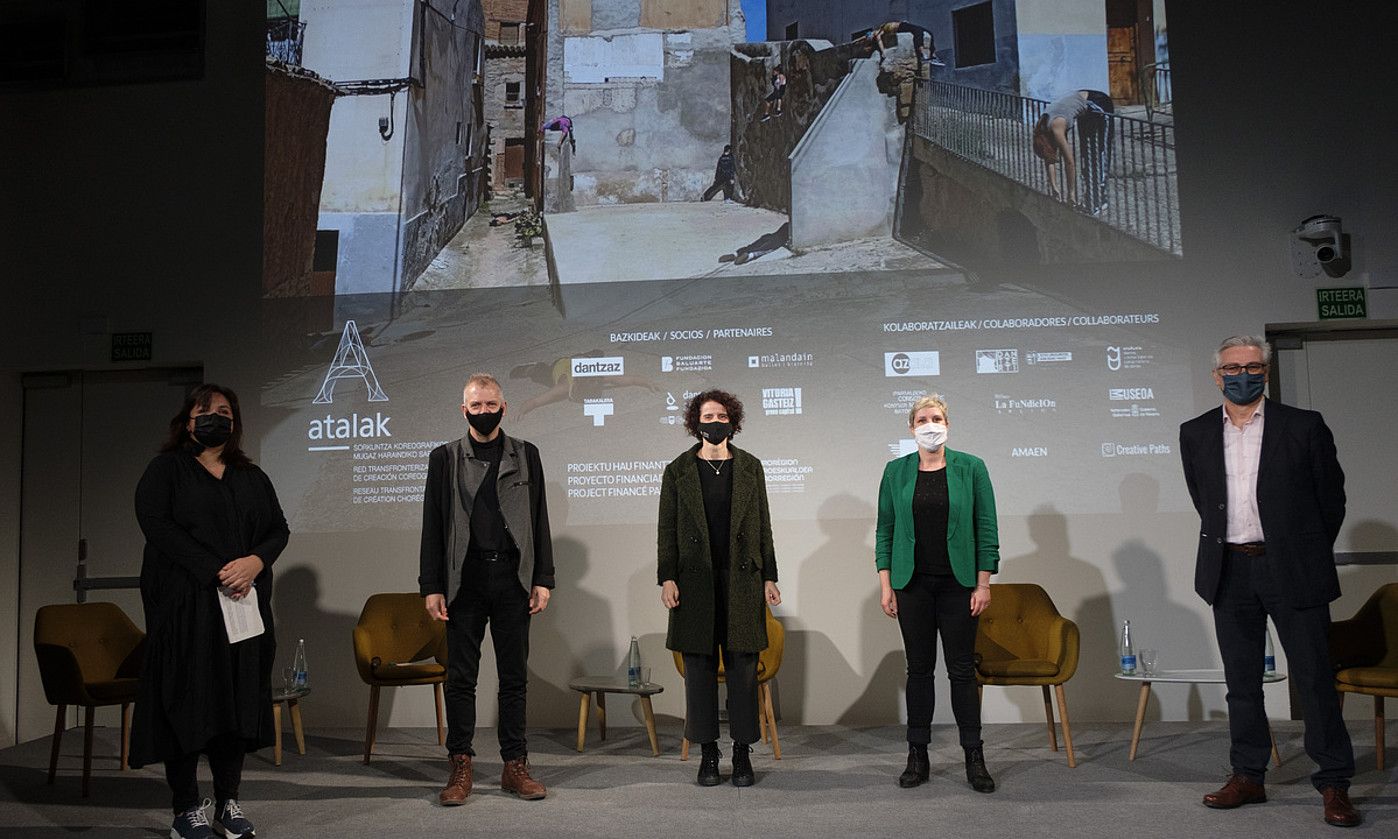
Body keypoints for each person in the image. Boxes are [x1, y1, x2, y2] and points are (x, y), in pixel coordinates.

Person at [1179, 336, 1359, 828]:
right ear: (1217, 376)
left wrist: (1302, 548)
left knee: (1315, 679)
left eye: (1254, 367)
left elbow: (1331, 500)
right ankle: (1248, 776)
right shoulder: (1194, 433)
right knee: (1242, 684)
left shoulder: (1304, 426)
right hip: (1228, 569)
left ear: (1266, 372)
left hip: (1293, 567)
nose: (1244, 374)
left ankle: (1335, 783)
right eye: (1233, 367)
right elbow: (1204, 499)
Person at [130, 384, 289, 839]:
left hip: (241, 608)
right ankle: (185, 808)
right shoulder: (166, 470)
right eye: (205, 411)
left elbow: (278, 528)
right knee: (187, 702)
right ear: (187, 420)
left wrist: (256, 562)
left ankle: (228, 802)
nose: (214, 418)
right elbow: (156, 524)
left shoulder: (251, 476)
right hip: (185, 610)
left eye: (224, 412)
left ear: (234, 423)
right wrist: (217, 570)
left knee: (235, 703)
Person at [420, 373, 556, 804]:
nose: (484, 412)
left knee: (514, 678)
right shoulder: (444, 459)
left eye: (490, 404)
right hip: (465, 581)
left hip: (513, 579)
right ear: (464, 410)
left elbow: (539, 521)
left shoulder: (526, 455)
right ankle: (460, 767)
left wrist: (543, 578)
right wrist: (432, 585)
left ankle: (515, 766)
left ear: (504, 406)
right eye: (475, 406)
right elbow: (433, 527)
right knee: (461, 678)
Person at [874, 393, 998, 793]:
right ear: (911, 427)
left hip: (958, 585)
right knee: (919, 671)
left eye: (938, 418)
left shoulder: (972, 468)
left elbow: (986, 527)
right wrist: (886, 584)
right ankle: (917, 754)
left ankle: (974, 756)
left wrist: (983, 583)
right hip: (912, 585)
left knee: (961, 671)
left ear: (948, 424)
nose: (931, 424)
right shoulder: (895, 471)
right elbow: (885, 531)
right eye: (923, 419)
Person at [657, 390, 781, 787]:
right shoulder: (677, 470)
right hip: (695, 581)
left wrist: (770, 577)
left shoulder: (750, 467)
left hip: (742, 579)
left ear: (733, 421)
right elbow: (667, 530)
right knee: (699, 670)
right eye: (707, 416)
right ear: (696, 424)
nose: (714, 422)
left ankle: (742, 754)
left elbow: (763, 525)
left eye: (721, 415)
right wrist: (668, 577)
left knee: (744, 669)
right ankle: (708, 754)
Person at [1031, 89, 1114, 214]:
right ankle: (1090, 197)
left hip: (1097, 102)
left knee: (1100, 151)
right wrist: (1054, 187)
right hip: (1084, 109)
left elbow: (1069, 162)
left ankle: (1100, 200)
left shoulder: (1056, 128)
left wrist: (1071, 194)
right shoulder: (1040, 129)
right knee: (1087, 154)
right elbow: (1049, 159)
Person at [864, 21, 945, 69]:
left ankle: (933, 55)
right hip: (901, 27)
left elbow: (864, 39)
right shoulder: (878, 34)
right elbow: (880, 42)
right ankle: (922, 54)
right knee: (918, 32)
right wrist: (883, 52)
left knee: (928, 32)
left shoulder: (879, 29)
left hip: (902, 25)